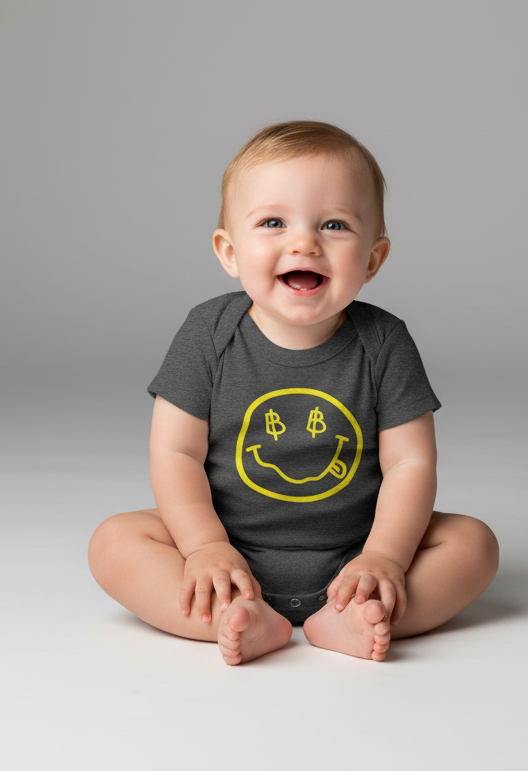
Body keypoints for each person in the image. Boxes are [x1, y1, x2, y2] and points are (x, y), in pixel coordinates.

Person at [88, 121, 499, 665]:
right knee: (113, 542)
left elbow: (411, 464)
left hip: (357, 558)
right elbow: (175, 452)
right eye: (273, 222)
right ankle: (239, 618)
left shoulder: (384, 341)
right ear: (229, 252)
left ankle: (351, 618)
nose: (303, 242)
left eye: (333, 225)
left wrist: (385, 556)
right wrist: (204, 547)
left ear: (373, 259)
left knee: (474, 544)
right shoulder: (208, 333)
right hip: (227, 556)